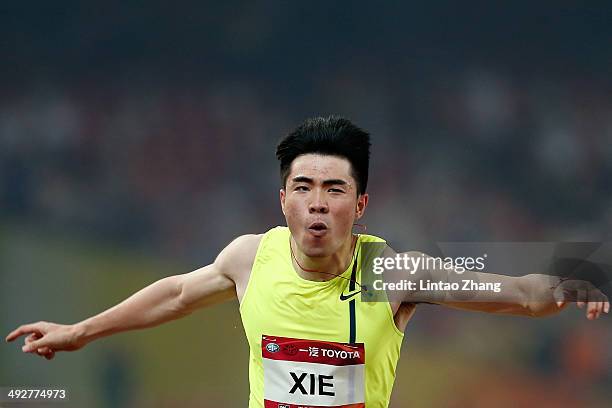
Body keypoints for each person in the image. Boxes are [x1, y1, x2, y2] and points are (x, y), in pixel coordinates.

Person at [6, 116, 610, 408]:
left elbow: (521, 293)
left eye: (334, 189)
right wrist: (78, 332)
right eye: (303, 186)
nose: (316, 203)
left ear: (361, 204)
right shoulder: (250, 257)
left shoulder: (393, 274)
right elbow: (175, 295)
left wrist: (580, 275)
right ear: (283, 199)